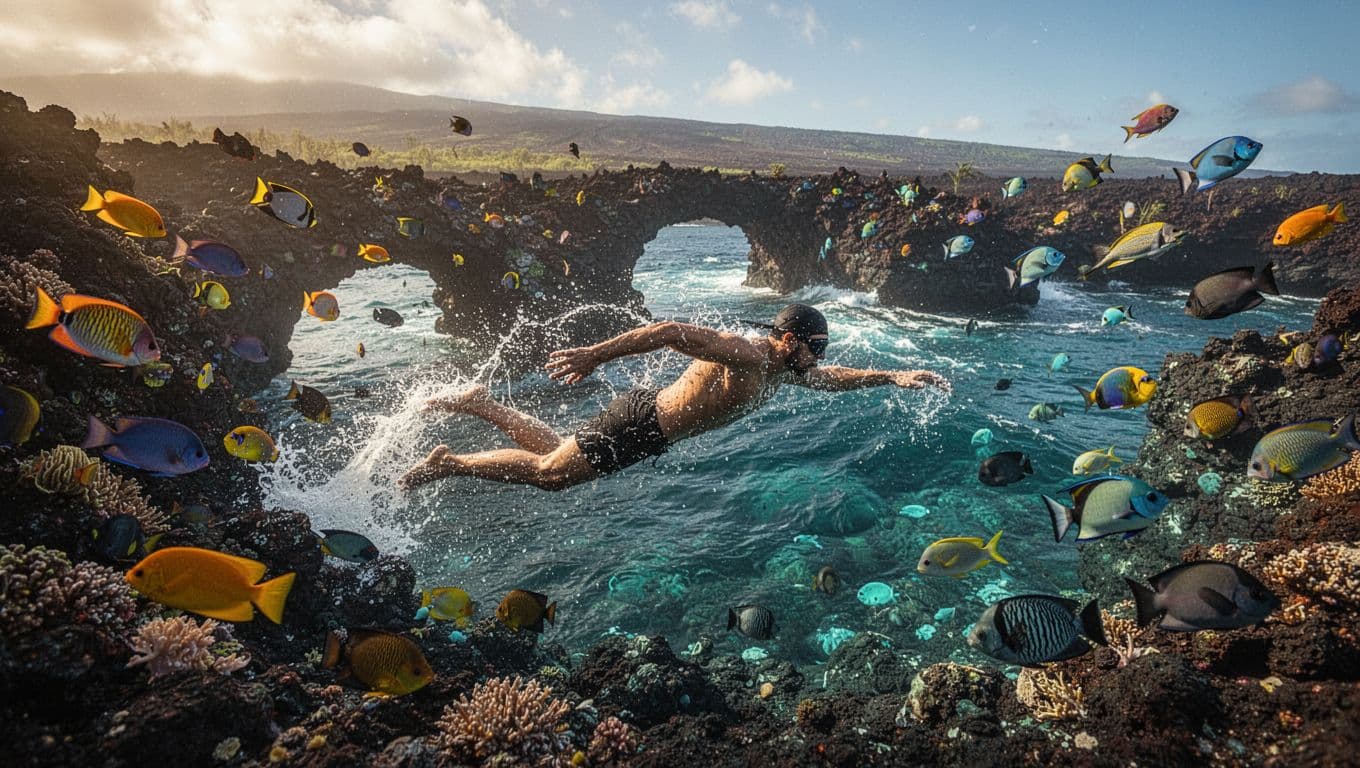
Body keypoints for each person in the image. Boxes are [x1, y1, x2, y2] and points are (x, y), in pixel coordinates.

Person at [398, 304, 949, 492]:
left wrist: (890, 377)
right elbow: (665, 331)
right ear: (789, 340)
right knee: (548, 473)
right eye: (815, 349)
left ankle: (478, 402)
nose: (819, 360)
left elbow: (832, 380)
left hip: (647, 430)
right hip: (639, 423)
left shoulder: (784, 368)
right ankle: (450, 462)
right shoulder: (751, 353)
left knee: (557, 460)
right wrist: (594, 354)